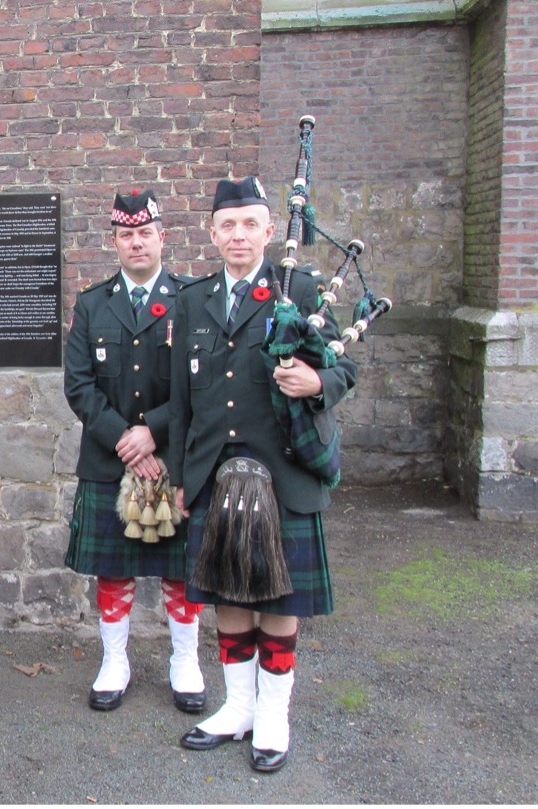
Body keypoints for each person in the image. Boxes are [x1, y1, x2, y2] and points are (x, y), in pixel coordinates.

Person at [165, 177, 357, 773]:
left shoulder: (301, 289)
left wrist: (318, 383)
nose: (239, 234)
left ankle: (273, 717)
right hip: (213, 473)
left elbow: (346, 366)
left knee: (278, 597)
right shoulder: (192, 299)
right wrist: (179, 476)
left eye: (251, 224)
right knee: (226, 594)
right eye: (228, 225)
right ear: (212, 233)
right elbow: (180, 396)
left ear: (270, 231)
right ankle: (237, 707)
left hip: (282, 475)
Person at [63, 189, 207, 714]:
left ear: (161, 238)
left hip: (174, 457)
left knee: (180, 570)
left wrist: (156, 434)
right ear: (115, 242)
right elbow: (79, 387)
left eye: (145, 233)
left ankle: (185, 662)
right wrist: (127, 440)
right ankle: (115, 662)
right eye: (127, 235)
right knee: (114, 571)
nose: (136, 243)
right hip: (109, 458)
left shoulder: (192, 299)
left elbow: (203, 379)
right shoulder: (92, 303)